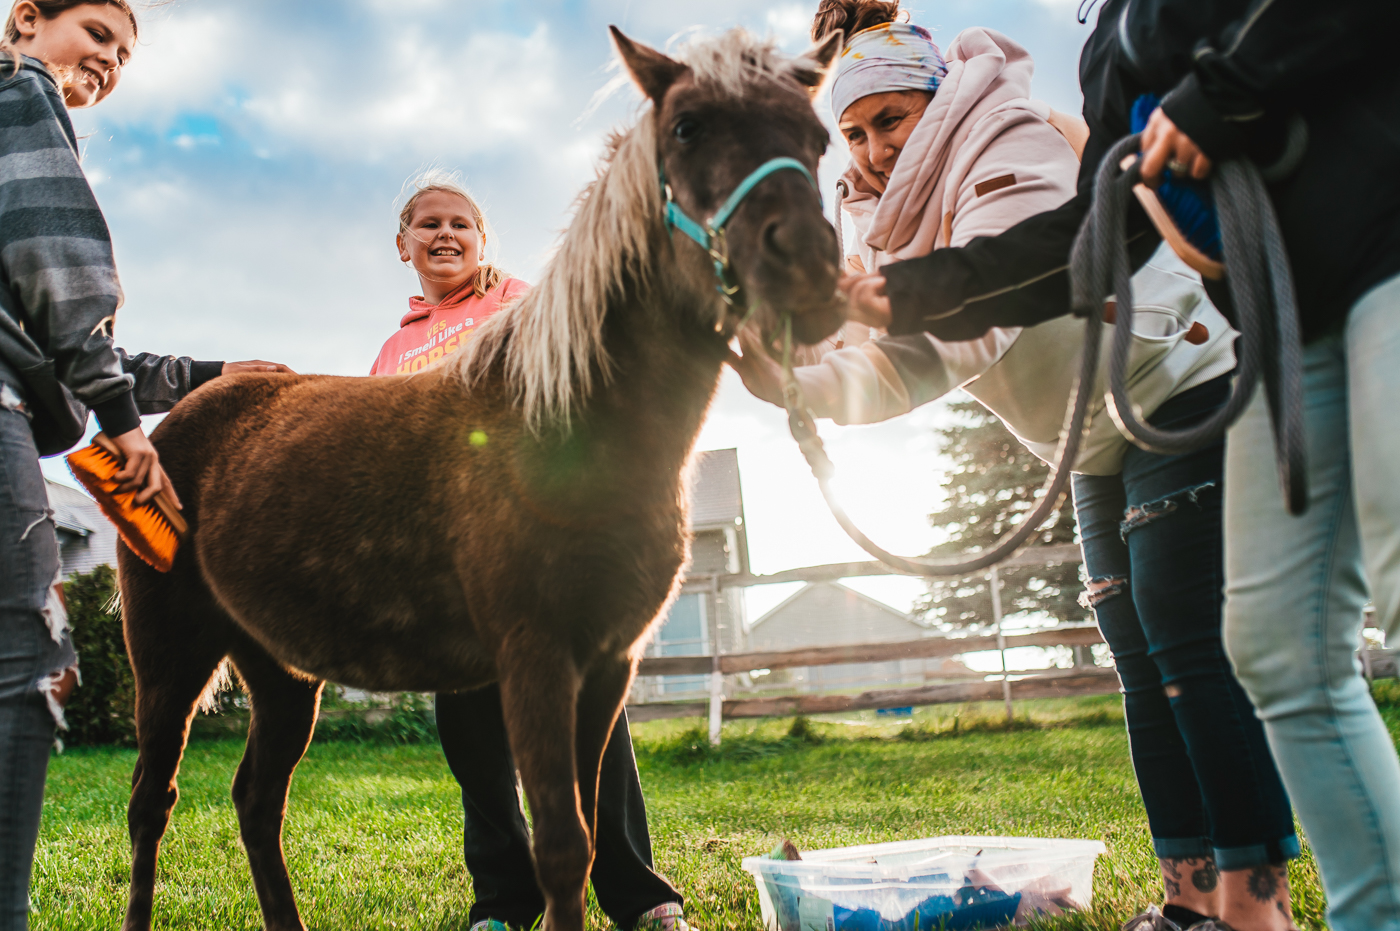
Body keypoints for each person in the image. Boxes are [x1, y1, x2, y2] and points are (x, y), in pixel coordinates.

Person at [820, 2, 1400, 928]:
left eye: (889, 118)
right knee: (1208, 659)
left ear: (934, 96)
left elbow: (992, 314)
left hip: (1248, 341)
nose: (873, 147)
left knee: (1218, 642)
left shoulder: (1011, 130)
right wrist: (844, 331)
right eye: (854, 130)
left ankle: (1256, 905)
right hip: (1180, 379)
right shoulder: (1094, 63)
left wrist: (1224, 88)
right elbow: (1056, 256)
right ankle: (1229, 902)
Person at [0, 2, 292, 926]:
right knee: (20, 666)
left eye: (123, 55)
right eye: (96, 34)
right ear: (24, 21)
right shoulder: (20, 92)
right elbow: (65, 273)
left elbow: (43, 335)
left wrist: (205, 375)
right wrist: (127, 428)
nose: (109, 63)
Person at [369, 171, 691, 931]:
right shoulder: (392, 348)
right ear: (403, 244)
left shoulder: (522, 300)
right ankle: (504, 905)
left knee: (589, 722)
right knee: (473, 738)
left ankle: (637, 894)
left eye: (461, 224)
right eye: (428, 224)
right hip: (448, 569)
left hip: (543, 553)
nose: (444, 235)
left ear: (484, 241)